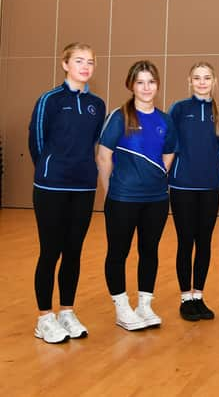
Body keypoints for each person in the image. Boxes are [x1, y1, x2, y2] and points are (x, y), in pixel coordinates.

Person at [28, 42, 106, 343]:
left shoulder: (96, 105)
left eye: (90, 61)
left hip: (83, 187)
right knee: (51, 251)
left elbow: (95, 143)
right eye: (79, 60)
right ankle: (44, 317)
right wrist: (49, 168)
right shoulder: (49, 99)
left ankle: (67, 311)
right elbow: (36, 140)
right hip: (51, 186)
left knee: (74, 251)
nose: (85, 66)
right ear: (65, 64)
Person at [97, 60, 177, 331]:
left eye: (151, 82)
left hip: (156, 199)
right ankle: (122, 307)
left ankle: (144, 304)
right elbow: (104, 157)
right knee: (118, 253)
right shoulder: (119, 117)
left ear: (157, 85)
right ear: (131, 85)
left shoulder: (165, 120)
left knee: (149, 251)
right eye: (140, 82)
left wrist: (152, 180)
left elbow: (168, 156)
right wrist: (112, 192)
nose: (146, 87)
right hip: (122, 199)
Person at [168, 62, 219, 321]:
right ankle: (185, 297)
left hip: (209, 186)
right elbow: (169, 143)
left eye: (206, 78)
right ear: (189, 81)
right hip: (182, 184)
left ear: (214, 81)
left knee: (204, 242)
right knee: (185, 241)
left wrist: (208, 166)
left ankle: (198, 296)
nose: (202, 82)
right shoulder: (179, 109)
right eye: (197, 78)